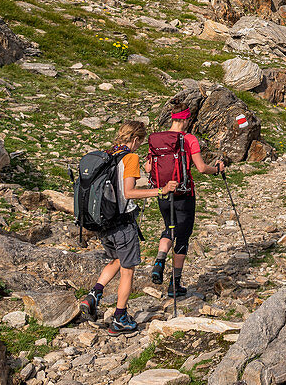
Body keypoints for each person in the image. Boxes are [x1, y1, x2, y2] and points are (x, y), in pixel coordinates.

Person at [79, 121, 177, 334]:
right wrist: (160, 191)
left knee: (116, 260)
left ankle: (94, 295)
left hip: (103, 222)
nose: (139, 146)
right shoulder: (130, 157)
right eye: (139, 142)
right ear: (135, 139)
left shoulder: (108, 155)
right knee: (127, 270)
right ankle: (120, 318)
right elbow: (129, 192)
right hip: (122, 223)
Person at [146, 105, 225, 298]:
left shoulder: (157, 139)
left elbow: (148, 168)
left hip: (163, 192)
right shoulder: (188, 139)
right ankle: (175, 284)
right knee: (182, 236)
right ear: (186, 119)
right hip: (184, 193)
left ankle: (159, 261)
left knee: (169, 228)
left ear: (173, 118)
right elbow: (201, 168)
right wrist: (217, 169)